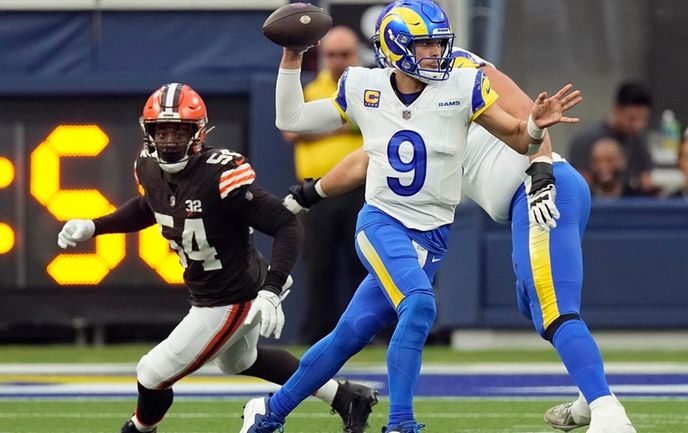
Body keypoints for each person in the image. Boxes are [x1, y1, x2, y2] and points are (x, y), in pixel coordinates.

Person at [280, 11, 636, 433]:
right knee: (533, 303)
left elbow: (529, 117)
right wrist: (310, 193)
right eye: (424, 45)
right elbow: (370, 159)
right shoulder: (385, 90)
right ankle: (586, 397)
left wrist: (540, 170)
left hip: (538, 190)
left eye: (437, 44)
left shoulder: (464, 72)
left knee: (553, 308)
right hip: (520, 198)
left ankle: (609, 413)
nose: (434, 54)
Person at [55, 83, 377, 433]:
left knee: (151, 373)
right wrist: (94, 225)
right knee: (242, 361)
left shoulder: (221, 174)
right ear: (148, 133)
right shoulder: (148, 166)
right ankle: (346, 398)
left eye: (179, 132)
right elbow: (154, 206)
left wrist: (271, 289)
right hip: (214, 290)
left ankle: (139, 429)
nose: (169, 142)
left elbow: (286, 224)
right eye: (161, 132)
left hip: (230, 297)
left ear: (199, 134)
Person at [281, 25, 368, 345]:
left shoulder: (367, 87)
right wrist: (344, 126)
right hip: (316, 191)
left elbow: (376, 123)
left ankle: (374, 330)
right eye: (332, 54)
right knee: (319, 266)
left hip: (361, 189)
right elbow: (291, 131)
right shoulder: (311, 89)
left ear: (356, 55)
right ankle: (317, 333)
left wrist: (319, 126)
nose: (339, 60)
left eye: (344, 54)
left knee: (366, 262)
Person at [568, 81, 655, 193]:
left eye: (643, 120)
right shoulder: (585, 140)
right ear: (617, 108)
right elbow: (578, 186)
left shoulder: (639, 141)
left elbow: (646, 179)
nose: (637, 125)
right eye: (632, 118)